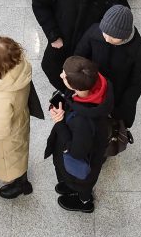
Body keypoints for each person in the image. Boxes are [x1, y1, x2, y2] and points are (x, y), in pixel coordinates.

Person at [31, 0, 128, 89]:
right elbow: (39, 3)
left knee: (85, 81)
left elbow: (120, 15)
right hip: (62, 39)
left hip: (91, 46)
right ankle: (66, 93)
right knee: (51, 68)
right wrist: (52, 34)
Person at [44, 56, 113, 213]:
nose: (61, 75)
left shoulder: (84, 122)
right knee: (77, 178)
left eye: (65, 76)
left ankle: (85, 202)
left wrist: (59, 122)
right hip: (90, 142)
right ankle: (71, 186)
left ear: (76, 86)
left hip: (84, 158)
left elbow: (76, 152)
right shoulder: (97, 85)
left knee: (83, 183)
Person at [74, 5, 141, 134]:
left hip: (117, 96)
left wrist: (120, 110)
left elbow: (136, 84)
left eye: (113, 38)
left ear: (125, 36)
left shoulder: (139, 50)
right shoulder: (94, 31)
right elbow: (79, 56)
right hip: (92, 88)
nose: (107, 39)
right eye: (105, 34)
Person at [0, 36, 34, 199]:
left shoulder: (1, 95)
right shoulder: (20, 66)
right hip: (19, 118)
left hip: (6, 136)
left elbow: (0, 131)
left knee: (10, 161)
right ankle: (21, 179)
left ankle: (20, 185)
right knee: (19, 153)